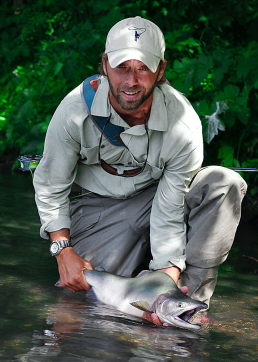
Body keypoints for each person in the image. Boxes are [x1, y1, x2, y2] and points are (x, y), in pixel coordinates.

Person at [33, 16, 247, 326]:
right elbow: (51, 185)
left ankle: (186, 307)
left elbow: (170, 207)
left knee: (224, 183)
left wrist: (166, 278)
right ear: (105, 65)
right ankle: (152, 301)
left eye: (143, 68)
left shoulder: (182, 124)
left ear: (161, 71)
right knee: (88, 299)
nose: (131, 81)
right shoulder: (74, 111)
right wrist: (63, 250)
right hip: (97, 208)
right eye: (122, 67)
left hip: (157, 201)